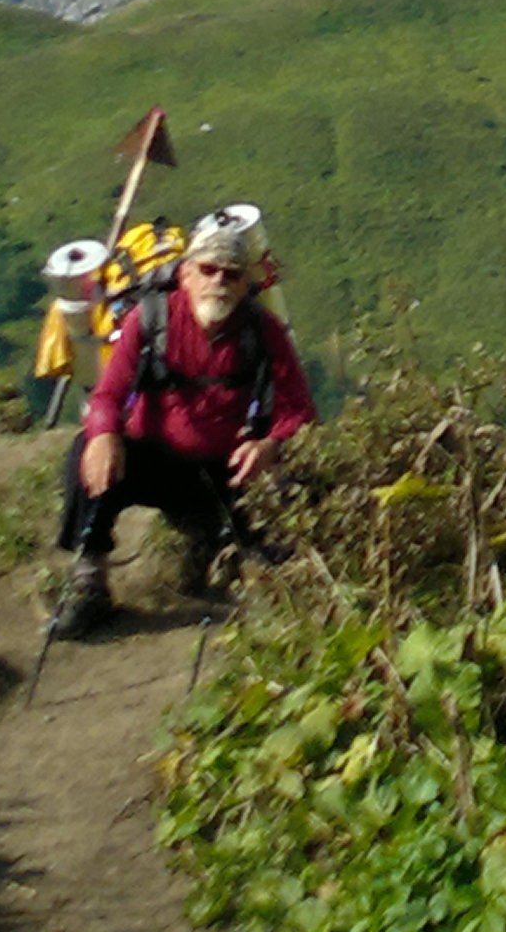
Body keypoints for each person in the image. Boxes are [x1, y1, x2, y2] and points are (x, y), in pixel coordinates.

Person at [50, 207, 314, 637]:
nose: (218, 283)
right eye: (207, 271)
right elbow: (109, 393)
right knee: (85, 451)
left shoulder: (263, 332)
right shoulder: (150, 319)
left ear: (247, 283)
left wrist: (269, 446)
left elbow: (299, 411)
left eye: (230, 274)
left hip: (229, 472)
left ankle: (236, 560)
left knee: (291, 497)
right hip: (152, 459)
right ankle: (89, 582)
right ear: (186, 273)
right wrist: (103, 434)